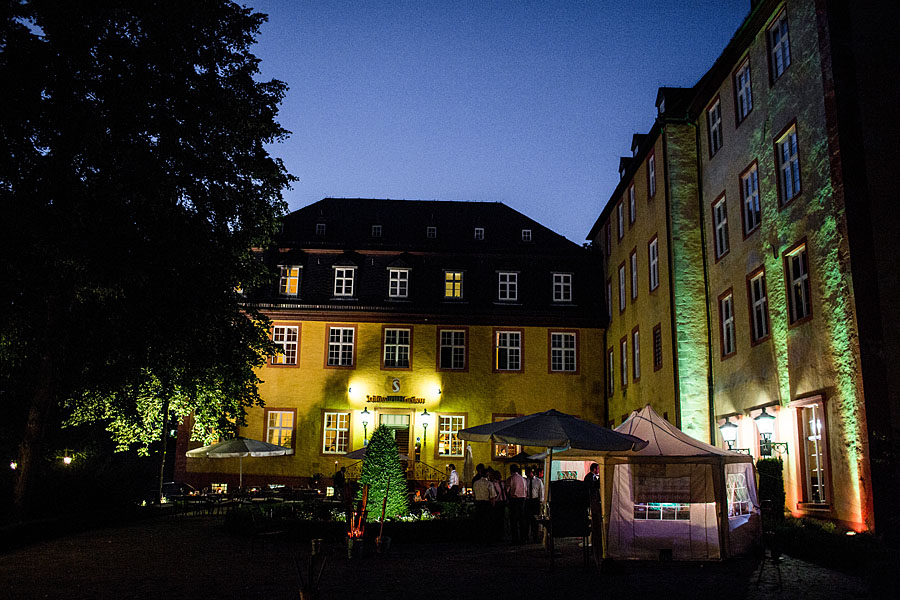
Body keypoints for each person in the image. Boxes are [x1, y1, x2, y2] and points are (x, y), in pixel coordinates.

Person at [472, 468, 496, 541]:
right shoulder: (489, 484)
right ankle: (487, 538)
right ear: (487, 475)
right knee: (487, 522)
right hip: (486, 504)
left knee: (479, 521)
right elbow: (492, 496)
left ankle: (479, 537)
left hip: (478, 503)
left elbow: (474, 494)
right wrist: (493, 505)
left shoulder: (476, 483)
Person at [506, 464, 527, 543]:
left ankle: (515, 538)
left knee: (514, 520)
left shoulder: (510, 479)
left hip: (514, 500)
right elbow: (525, 490)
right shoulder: (523, 479)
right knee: (522, 519)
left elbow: (507, 490)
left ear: (511, 470)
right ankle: (523, 538)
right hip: (522, 499)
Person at [524, 467, 545, 542]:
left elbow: (541, 491)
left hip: (535, 501)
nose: (527, 475)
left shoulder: (538, 481)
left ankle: (535, 536)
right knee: (527, 519)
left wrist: (541, 501)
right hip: (527, 500)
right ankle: (527, 536)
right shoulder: (525, 481)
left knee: (535, 520)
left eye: (528, 473)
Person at [489, 469, 507, 541]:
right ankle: (498, 535)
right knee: (498, 519)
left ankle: (500, 534)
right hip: (498, 502)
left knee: (500, 519)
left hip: (501, 501)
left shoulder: (501, 483)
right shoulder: (494, 483)